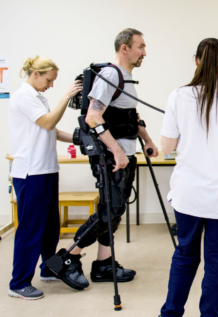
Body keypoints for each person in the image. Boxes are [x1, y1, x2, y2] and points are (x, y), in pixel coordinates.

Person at [53, 28, 159, 290]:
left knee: (115, 209)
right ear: (124, 48)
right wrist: (118, 152)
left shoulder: (127, 76)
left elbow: (129, 116)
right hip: (110, 156)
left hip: (124, 153)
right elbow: (93, 117)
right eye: (140, 46)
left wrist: (147, 139)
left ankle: (103, 263)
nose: (144, 52)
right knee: (108, 211)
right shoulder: (111, 74)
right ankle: (66, 259)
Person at [159, 38, 218, 317]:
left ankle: (170, 313)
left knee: (185, 256)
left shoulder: (178, 96)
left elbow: (166, 148)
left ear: (196, 60)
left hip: (190, 196)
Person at [8, 56, 82, 300]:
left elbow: (50, 131)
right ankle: (18, 283)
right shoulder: (23, 96)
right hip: (31, 172)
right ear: (35, 74)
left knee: (51, 226)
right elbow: (49, 123)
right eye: (49, 80)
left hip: (47, 169)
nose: (51, 85)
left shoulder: (38, 97)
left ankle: (48, 267)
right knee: (30, 228)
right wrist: (66, 96)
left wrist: (81, 137)